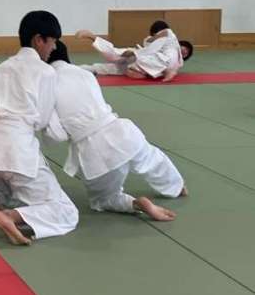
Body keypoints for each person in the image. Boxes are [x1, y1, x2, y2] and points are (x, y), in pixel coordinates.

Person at [45, 40, 187, 219]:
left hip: (93, 150)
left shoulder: (46, 84)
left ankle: (135, 204)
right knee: (152, 158)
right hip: (121, 130)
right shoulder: (85, 74)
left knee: (103, 200)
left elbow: (56, 135)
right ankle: (177, 186)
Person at [0, 11, 79, 245]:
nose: (53, 48)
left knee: (8, 185)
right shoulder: (45, 71)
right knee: (65, 211)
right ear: (39, 40)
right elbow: (42, 119)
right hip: (17, 148)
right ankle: (8, 216)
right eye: (52, 42)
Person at [77, 20, 193, 82]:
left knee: (111, 67)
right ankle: (91, 37)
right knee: (116, 55)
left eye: (187, 53)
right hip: (142, 59)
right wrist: (135, 53)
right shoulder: (167, 35)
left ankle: (82, 68)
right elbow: (150, 48)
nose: (184, 52)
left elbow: (151, 50)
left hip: (145, 62)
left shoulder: (177, 60)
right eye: (185, 48)